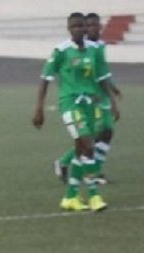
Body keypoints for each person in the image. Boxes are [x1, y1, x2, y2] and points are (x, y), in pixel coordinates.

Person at [33, 12, 118, 212]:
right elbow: (45, 79)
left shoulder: (94, 50)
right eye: (75, 26)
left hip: (89, 104)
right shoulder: (61, 51)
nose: (80, 29)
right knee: (88, 145)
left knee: (81, 150)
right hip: (70, 104)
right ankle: (94, 195)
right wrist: (39, 108)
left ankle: (70, 196)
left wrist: (113, 101)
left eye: (82, 26)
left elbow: (102, 77)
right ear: (69, 29)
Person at [53, 12, 121, 185]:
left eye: (95, 25)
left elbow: (102, 71)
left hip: (100, 94)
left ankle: (78, 165)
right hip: (88, 97)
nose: (92, 28)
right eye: (88, 25)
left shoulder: (98, 46)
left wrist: (112, 91)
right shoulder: (76, 49)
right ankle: (85, 169)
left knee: (105, 132)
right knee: (94, 134)